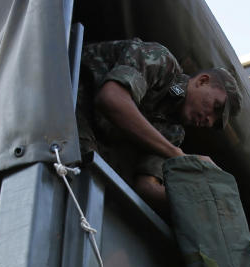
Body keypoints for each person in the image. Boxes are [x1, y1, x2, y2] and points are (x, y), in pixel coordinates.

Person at [77, 38, 241, 212]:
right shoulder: (162, 62)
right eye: (216, 107)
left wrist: (197, 200)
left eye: (214, 123)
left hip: (87, 150)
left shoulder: (174, 132)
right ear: (202, 81)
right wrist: (179, 156)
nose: (209, 121)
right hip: (65, 100)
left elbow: (145, 187)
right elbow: (111, 99)